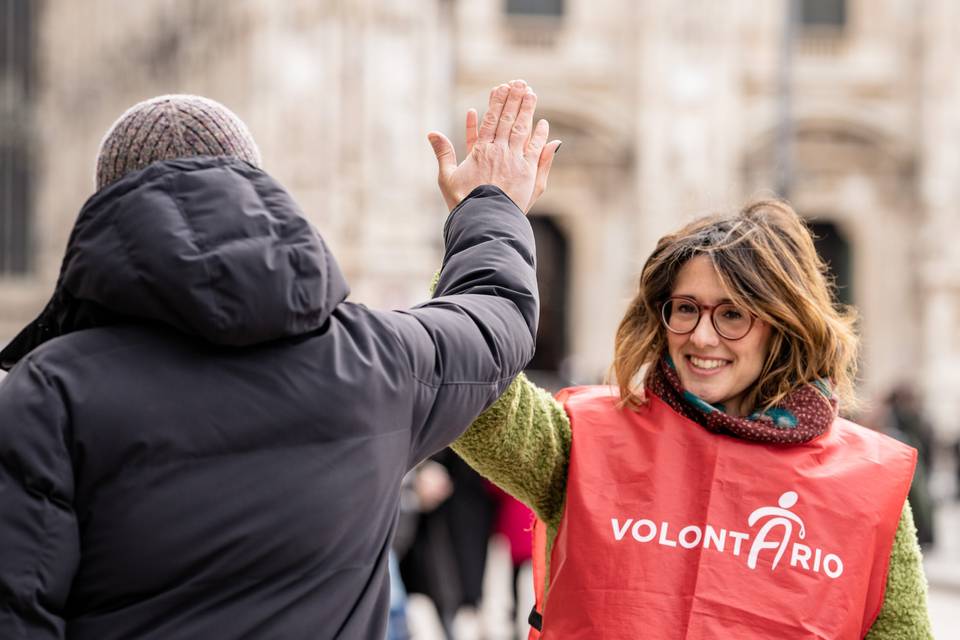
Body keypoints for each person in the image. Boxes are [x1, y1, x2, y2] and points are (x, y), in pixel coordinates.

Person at [0, 81, 560, 639]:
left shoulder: (48, 394)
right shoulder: (377, 361)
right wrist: (492, 204)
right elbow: (496, 317)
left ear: (108, 207)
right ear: (255, 190)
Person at [451, 200, 933, 638]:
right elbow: (469, 390)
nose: (702, 337)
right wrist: (488, 220)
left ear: (783, 325)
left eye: (732, 315)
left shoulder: (866, 482)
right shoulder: (590, 437)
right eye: (685, 309)